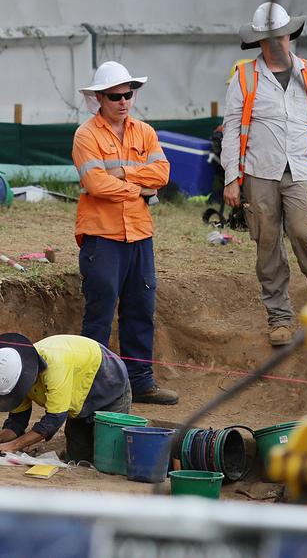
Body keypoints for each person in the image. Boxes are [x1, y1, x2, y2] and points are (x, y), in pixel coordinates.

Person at [72, 60, 178, 404]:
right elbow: (95, 183)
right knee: (99, 313)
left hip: (139, 235)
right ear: (100, 98)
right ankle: (92, 386)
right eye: (115, 95)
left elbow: (161, 174)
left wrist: (122, 176)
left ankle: (141, 381)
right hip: (101, 237)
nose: (123, 101)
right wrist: (139, 189)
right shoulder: (85, 135)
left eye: (128, 94)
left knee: (140, 308)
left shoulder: (145, 131)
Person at [221, 2, 307, 346]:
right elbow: (233, 128)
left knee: (306, 234)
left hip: (304, 169)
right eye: (267, 39)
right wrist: (231, 178)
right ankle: (280, 317)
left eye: (279, 36)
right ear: (259, 42)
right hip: (258, 172)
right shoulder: (245, 76)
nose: (275, 44)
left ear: (289, 35)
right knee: (267, 244)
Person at [0, 332, 131, 463]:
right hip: (79, 400)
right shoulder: (17, 375)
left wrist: (14, 445)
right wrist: (3, 441)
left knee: (107, 459)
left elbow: (54, 419)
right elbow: (17, 421)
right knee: (78, 460)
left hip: (110, 382)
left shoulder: (55, 367)